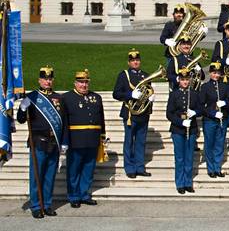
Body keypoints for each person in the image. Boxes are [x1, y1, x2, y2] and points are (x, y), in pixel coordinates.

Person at [17, 66, 66, 218]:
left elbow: (64, 122)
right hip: (38, 141)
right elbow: (20, 120)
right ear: (39, 80)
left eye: (50, 79)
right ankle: (36, 206)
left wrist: (64, 142)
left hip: (54, 141)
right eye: (45, 79)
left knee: (50, 175)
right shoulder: (32, 97)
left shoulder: (59, 98)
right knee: (36, 175)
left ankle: (47, 204)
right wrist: (22, 108)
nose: (47, 81)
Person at [62, 69, 106, 208]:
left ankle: (84, 194)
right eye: (81, 82)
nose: (84, 85)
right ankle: (74, 196)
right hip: (75, 140)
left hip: (92, 139)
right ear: (75, 83)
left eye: (86, 82)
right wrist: (64, 141)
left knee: (88, 168)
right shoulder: (67, 98)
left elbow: (101, 118)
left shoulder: (96, 97)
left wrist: (102, 136)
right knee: (74, 170)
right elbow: (64, 121)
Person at [112, 49, 154, 179]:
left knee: (141, 142)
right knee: (129, 141)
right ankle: (129, 168)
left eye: (137, 60)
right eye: (132, 60)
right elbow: (116, 94)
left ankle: (140, 167)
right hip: (130, 113)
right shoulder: (124, 75)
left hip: (143, 113)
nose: (135, 62)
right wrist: (131, 95)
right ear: (129, 62)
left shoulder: (146, 76)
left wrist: (151, 98)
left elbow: (148, 91)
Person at [166, 67, 202, 194]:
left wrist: (195, 112)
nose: (185, 82)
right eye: (183, 80)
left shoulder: (194, 94)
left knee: (189, 157)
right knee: (180, 157)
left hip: (191, 129)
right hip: (177, 129)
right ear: (179, 80)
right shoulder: (174, 94)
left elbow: (201, 109)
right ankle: (180, 183)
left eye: (187, 79)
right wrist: (181, 122)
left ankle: (188, 182)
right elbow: (169, 114)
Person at [199, 62, 229, 178]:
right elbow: (201, 106)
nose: (216, 75)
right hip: (210, 120)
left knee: (219, 144)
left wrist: (224, 103)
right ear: (210, 73)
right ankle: (210, 169)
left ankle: (217, 168)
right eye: (214, 73)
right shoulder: (205, 87)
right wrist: (213, 113)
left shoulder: (225, 86)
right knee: (209, 144)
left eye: (218, 73)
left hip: (222, 120)